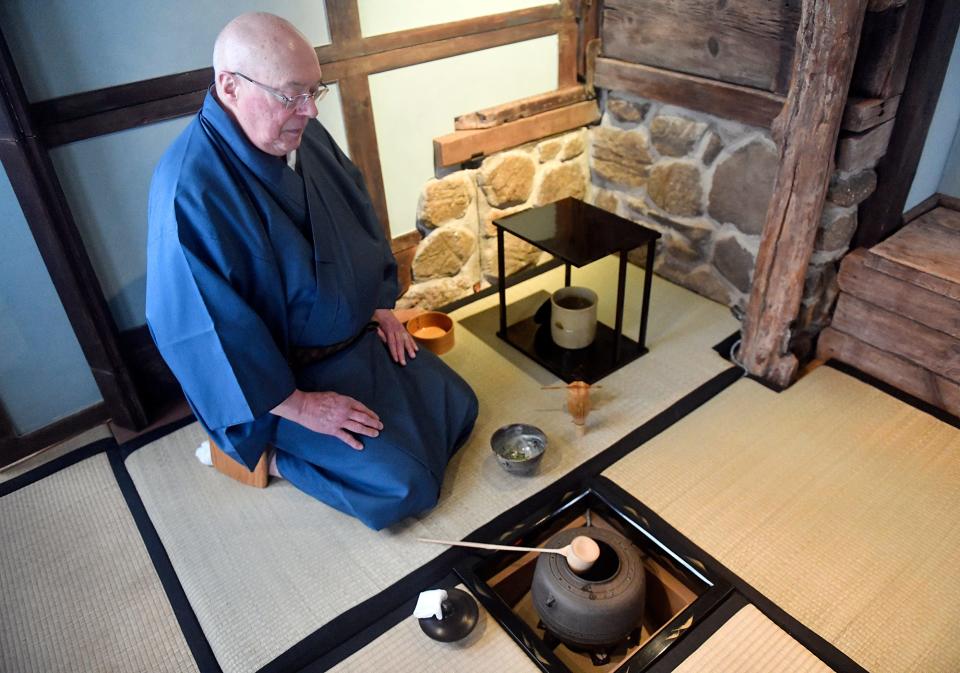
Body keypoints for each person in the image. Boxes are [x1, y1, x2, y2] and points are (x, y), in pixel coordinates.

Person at [145, 12, 478, 530]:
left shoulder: (299, 135)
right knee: (406, 485)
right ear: (229, 85)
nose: (308, 112)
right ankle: (267, 460)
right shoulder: (189, 189)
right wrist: (300, 406)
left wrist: (379, 307)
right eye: (291, 95)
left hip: (353, 340)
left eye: (314, 92)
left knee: (459, 407)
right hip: (279, 386)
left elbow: (355, 218)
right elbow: (204, 330)